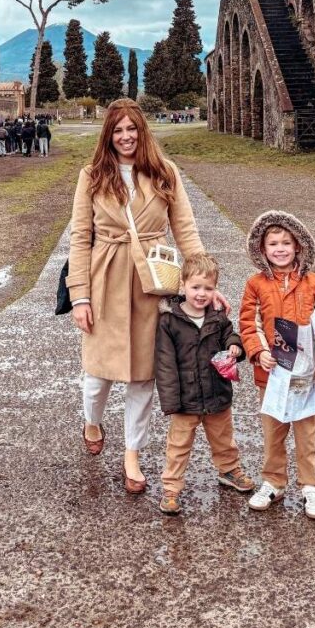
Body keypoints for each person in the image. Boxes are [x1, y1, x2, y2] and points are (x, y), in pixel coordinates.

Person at [67, 98, 228, 493]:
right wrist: (80, 297)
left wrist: (206, 284)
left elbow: (186, 231)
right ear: (109, 135)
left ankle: (132, 455)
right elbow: (79, 238)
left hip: (153, 282)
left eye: (132, 129)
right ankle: (92, 420)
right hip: (105, 278)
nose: (126, 137)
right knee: (97, 378)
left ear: (143, 131)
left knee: (143, 377)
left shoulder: (165, 173)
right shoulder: (91, 176)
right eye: (118, 130)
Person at [239, 211, 315, 520]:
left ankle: (310, 486)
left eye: (286, 242)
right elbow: (248, 322)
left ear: (298, 247)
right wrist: (258, 352)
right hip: (270, 375)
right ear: (262, 249)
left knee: (306, 434)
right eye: (273, 243)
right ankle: (273, 482)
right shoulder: (255, 284)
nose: (280, 248)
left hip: (305, 376)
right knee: (274, 431)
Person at [155, 252, 254, 515]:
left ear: (215, 290)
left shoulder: (218, 318)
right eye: (195, 287)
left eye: (208, 288)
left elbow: (230, 336)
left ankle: (229, 470)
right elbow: (165, 364)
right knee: (178, 446)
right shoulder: (169, 321)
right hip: (185, 400)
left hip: (216, 393)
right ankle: (172, 487)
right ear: (183, 285)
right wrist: (171, 402)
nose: (201, 294)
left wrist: (234, 346)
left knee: (223, 439)